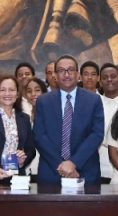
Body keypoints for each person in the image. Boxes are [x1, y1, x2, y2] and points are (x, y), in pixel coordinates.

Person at [32, 54, 104, 183]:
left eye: (70, 70)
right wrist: (61, 165)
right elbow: (39, 136)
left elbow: (96, 134)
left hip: (85, 170)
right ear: (55, 75)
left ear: (77, 75)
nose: (66, 74)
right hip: (51, 170)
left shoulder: (93, 100)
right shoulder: (43, 101)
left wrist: (74, 163)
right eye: (61, 70)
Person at [96, 63, 118, 181]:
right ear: (100, 82)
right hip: (99, 164)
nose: (109, 79)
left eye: (113, 76)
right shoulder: (93, 103)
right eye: (105, 77)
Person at [23, 77, 49, 175]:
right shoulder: (23, 116)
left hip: (46, 165)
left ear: (44, 92)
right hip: (26, 166)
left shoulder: (52, 115)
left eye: (37, 90)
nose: (33, 94)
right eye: (29, 91)